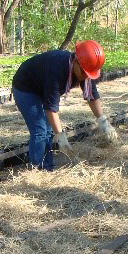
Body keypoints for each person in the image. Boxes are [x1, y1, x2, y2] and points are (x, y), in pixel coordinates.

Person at [11, 40, 118, 170]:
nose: (85, 77)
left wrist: (103, 121)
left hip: (42, 84)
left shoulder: (84, 70)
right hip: (26, 87)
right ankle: (38, 170)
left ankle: (48, 168)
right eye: (84, 72)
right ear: (76, 61)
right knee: (40, 130)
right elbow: (51, 107)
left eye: (88, 74)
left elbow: (92, 96)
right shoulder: (57, 70)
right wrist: (61, 136)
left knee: (49, 131)